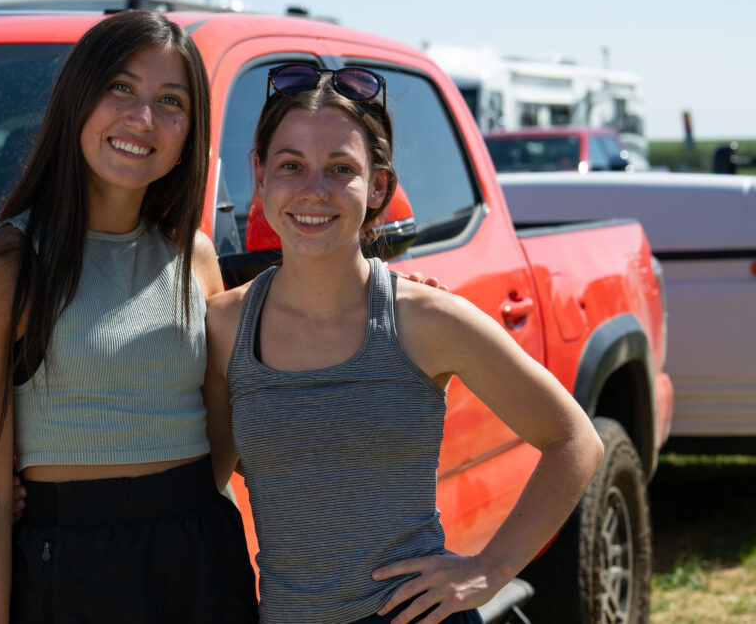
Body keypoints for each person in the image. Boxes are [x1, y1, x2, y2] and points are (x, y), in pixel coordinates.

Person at [201, 64, 606, 624]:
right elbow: (203, 486)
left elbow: (575, 441)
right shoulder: (225, 327)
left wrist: (489, 570)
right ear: (260, 175)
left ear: (379, 188)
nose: (313, 190)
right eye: (291, 165)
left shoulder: (427, 319)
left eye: (341, 168)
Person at [0, 11, 258, 624]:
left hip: (204, 554)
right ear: (76, 98)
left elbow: (217, 433)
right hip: (76, 569)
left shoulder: (193, 255)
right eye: (121, 87)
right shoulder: (0, 268)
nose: (143, 119)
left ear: (191, 131)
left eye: (171, 100)